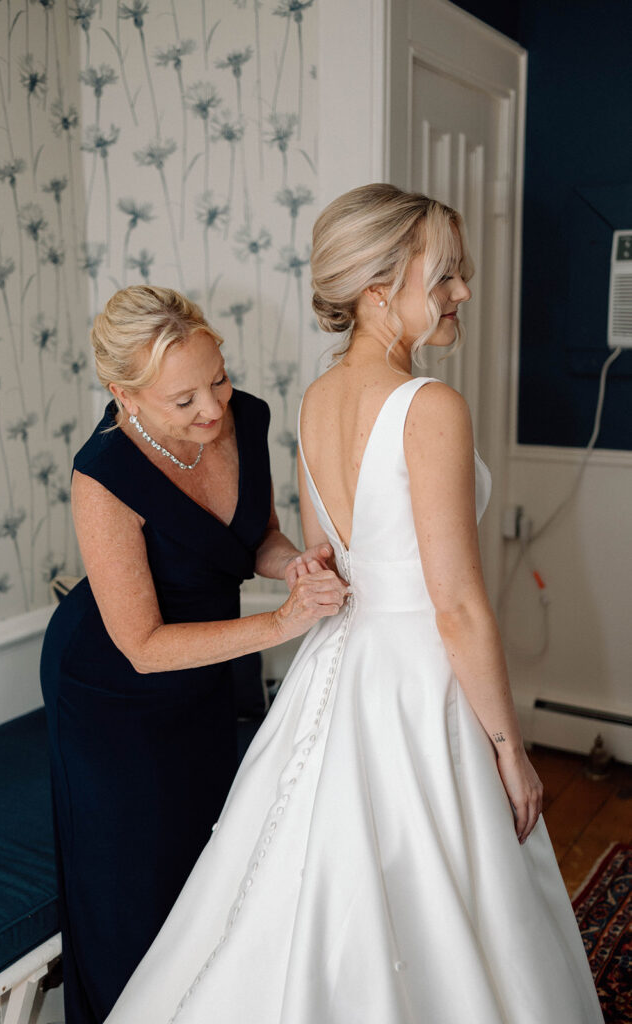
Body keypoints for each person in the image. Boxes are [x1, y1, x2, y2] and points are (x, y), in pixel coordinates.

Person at [104, 188, 604, 1023]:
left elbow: (326, 557)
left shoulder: (315, 400)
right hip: (416, 678)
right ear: (380, 290)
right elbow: (455, 605)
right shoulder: (429, 407)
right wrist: (510, 747)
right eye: (444, 275)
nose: (461, 293)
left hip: (338, 666)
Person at [39, 285, 348, 1024]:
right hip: (112, 690)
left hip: (205, 672)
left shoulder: (244, 419)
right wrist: (281, 624)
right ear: (124, 395)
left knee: (208, 865)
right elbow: (142, 647)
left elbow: (257, 535)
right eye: (183, 401)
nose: (212, 408)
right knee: (132, 891)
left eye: (217, 377)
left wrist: (293, 567)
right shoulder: (102, 475)